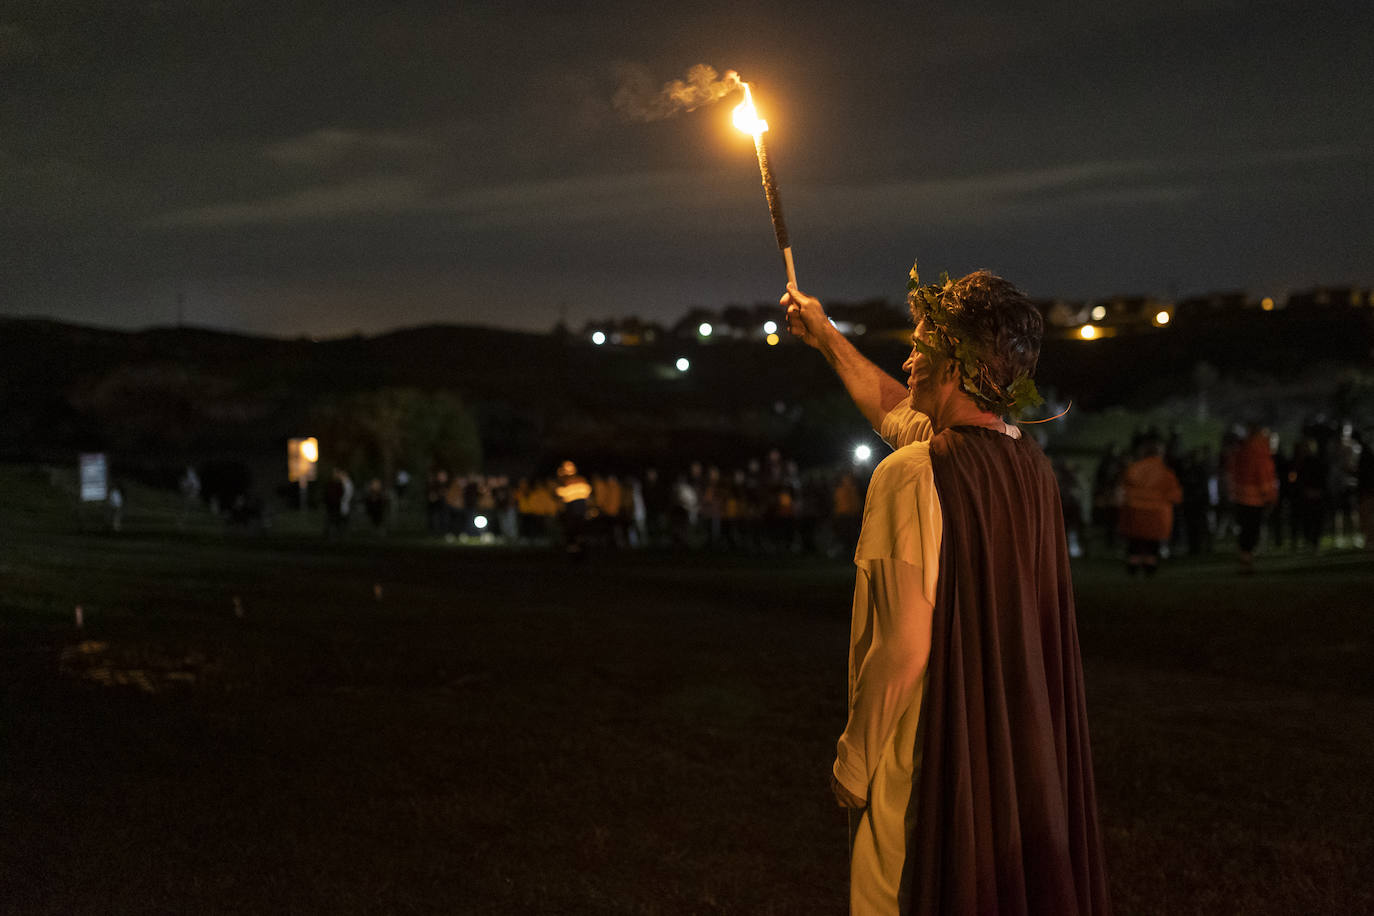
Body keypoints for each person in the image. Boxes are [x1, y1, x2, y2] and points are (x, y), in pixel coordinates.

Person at [782, 268, 1109, 915]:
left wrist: (855, 759)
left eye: (920, 349)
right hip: (1010, 754)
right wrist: (824, 337)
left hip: (926, 757)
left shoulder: (910, 477)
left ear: (955, 365)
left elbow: (904, 646)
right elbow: (893, 412)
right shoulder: (1028, 466)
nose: (906, 360)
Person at [1118, 439, 1182, 576]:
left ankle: (1133, 563)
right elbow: (1174, 494)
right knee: (1152, 542)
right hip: (1157, 512)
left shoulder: (1133, 469)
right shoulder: (1165, 472)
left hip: (1134, 510)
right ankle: (1150, 564)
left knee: (1135, 541)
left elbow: (1124, 488)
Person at [1229, 424, 1278, 572]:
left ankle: (1244, 558)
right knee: (1252, 530)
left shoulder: (1242, 451)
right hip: (1255, 499)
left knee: (1245, 530)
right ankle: (1247, 560)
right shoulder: (1260, 454)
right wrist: (1270, 496)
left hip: (1240, 497)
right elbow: (1264, 477)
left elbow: (1233, 472)